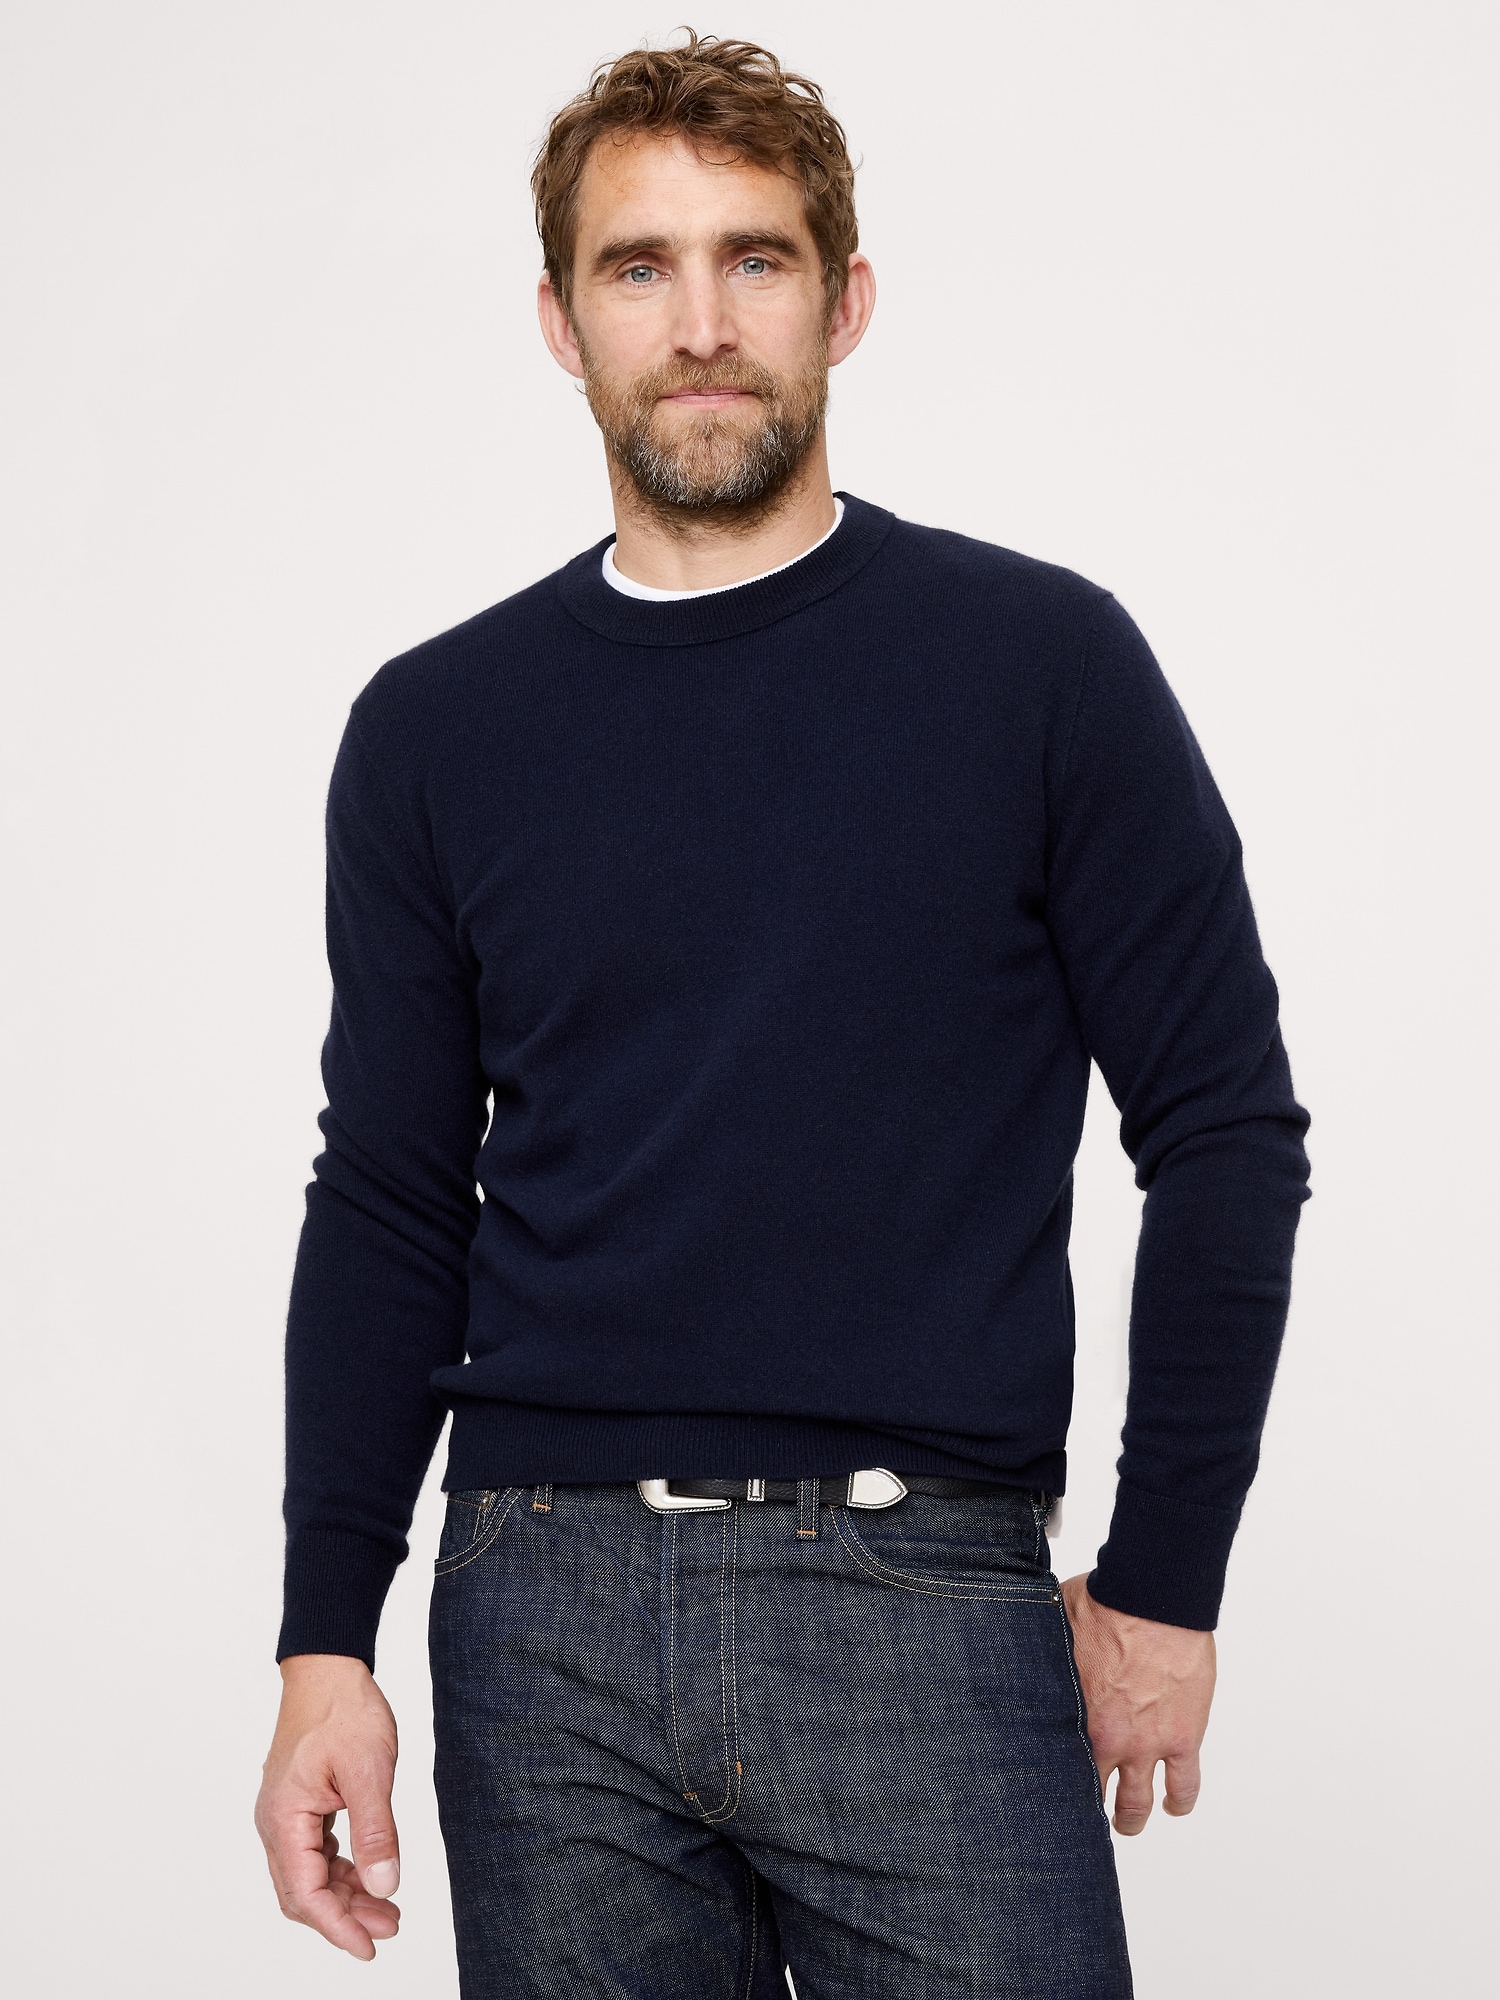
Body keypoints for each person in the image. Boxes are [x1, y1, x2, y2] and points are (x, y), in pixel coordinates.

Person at [254, 32, 1311, 2000]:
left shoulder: (1038, 666)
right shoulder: (435, 730)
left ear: (847, 299)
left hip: (920, 1588)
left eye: (756, 258)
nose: (703, 324)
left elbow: (1227, 1132)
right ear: (561, 322)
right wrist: (328, 1637)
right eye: (638, 266)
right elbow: (389, 1195)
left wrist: (1168, 1577)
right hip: (538, 1606)